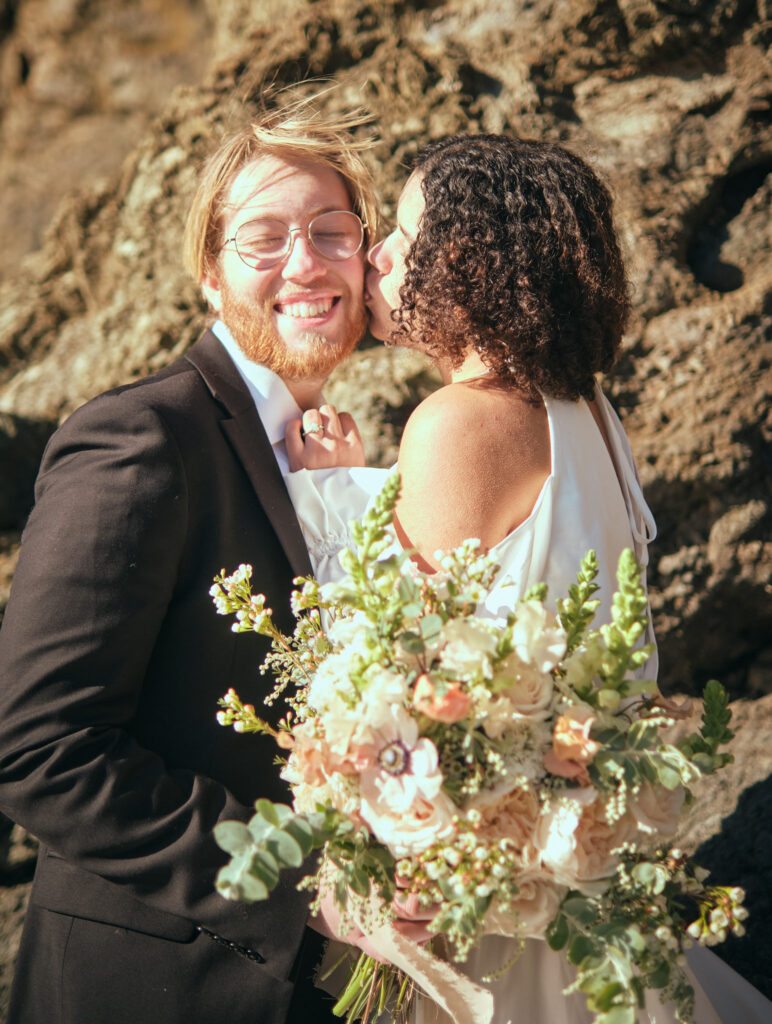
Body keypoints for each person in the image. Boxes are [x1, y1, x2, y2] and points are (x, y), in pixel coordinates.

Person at [281, 135, 772, 1022]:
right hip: (551, 875)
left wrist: (322, 494)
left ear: (462, 261)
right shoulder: (583, 410)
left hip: (474, 910)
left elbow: (390, 663)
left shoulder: (459, 425)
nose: (379, 256)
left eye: (401, 231)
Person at [0, 101, 376, 1024]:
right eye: (264, 239)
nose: (306, 263)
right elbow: (41, 750)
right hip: (151, 990)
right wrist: (302, 885)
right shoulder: (141, 436)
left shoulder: (332, 458)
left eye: (333, 231)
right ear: (210, 274)